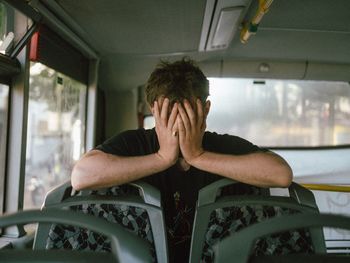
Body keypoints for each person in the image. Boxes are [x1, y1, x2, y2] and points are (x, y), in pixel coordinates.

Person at [71, 58, 293, 262]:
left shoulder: (223, 146)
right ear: (154, 111)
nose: (178, 125)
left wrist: (199, 156)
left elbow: (281, 174)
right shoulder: (133, 143)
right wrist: (161, 158)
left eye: (188, 116)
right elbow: (81, 176)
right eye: (169, 115)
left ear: (205, 111)